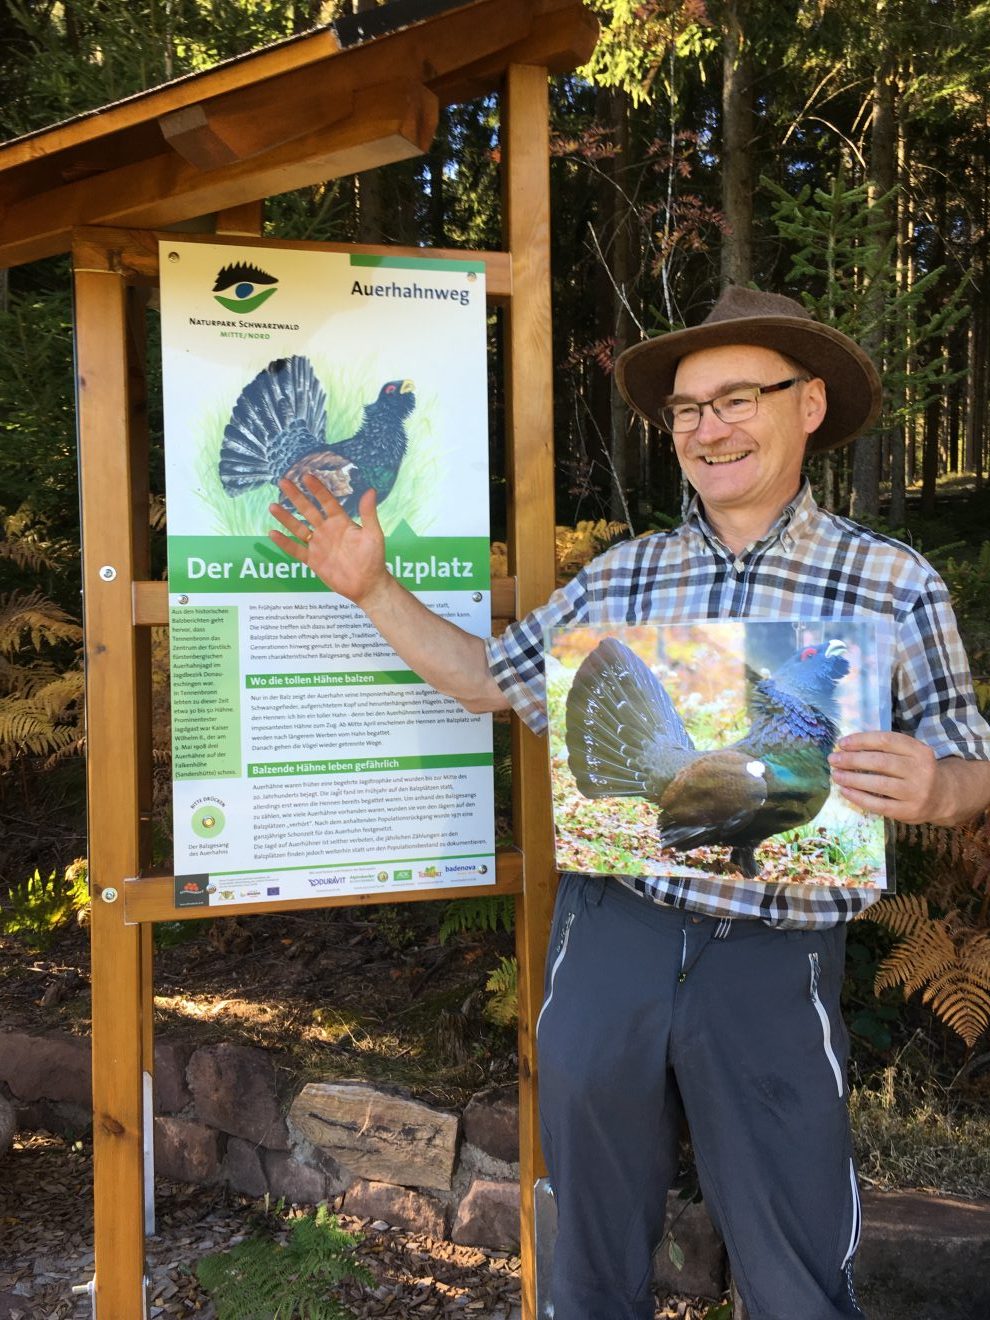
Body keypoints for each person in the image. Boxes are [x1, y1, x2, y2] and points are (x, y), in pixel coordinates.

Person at [268, 286, 990, 1320]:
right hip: (615, 933)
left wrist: (939, 785)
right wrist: (372, 587)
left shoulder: (892, 583)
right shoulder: (620, 579)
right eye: (688, 409)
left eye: (737, 398)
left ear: (809, 404)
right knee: (592, 1256)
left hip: (776, 956)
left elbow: (971, 762)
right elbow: (484, 682)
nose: (709, 428)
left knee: (794, 1261)